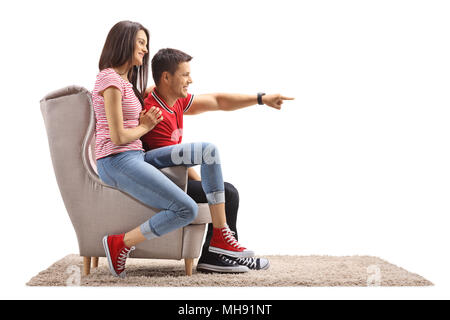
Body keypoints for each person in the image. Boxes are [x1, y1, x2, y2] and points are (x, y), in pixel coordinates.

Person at [93, 21, 292, 278]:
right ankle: (120, 243)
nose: (144, 49)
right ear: (123, 42)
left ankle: (221, 238)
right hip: (117, 159)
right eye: (140, 43)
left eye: (146, 43)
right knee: (188, 208)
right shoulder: (109, 79)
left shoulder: (130, 83)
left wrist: (261, 98)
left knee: (208, 151)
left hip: (137, 156)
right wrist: (146, 126)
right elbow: (118, 136)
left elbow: (217, 101)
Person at [142, 48, 294, 273]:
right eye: (185, 75)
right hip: (165, 183)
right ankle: (217, 257)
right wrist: (207, 182)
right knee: (227, 193)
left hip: (174, 175)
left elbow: (218, 101)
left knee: (224, 190)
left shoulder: (173, 100)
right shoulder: (156, 114)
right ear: (166, 77)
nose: (190, 80)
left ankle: (223, 254)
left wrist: (261, 99)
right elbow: (174, 167)